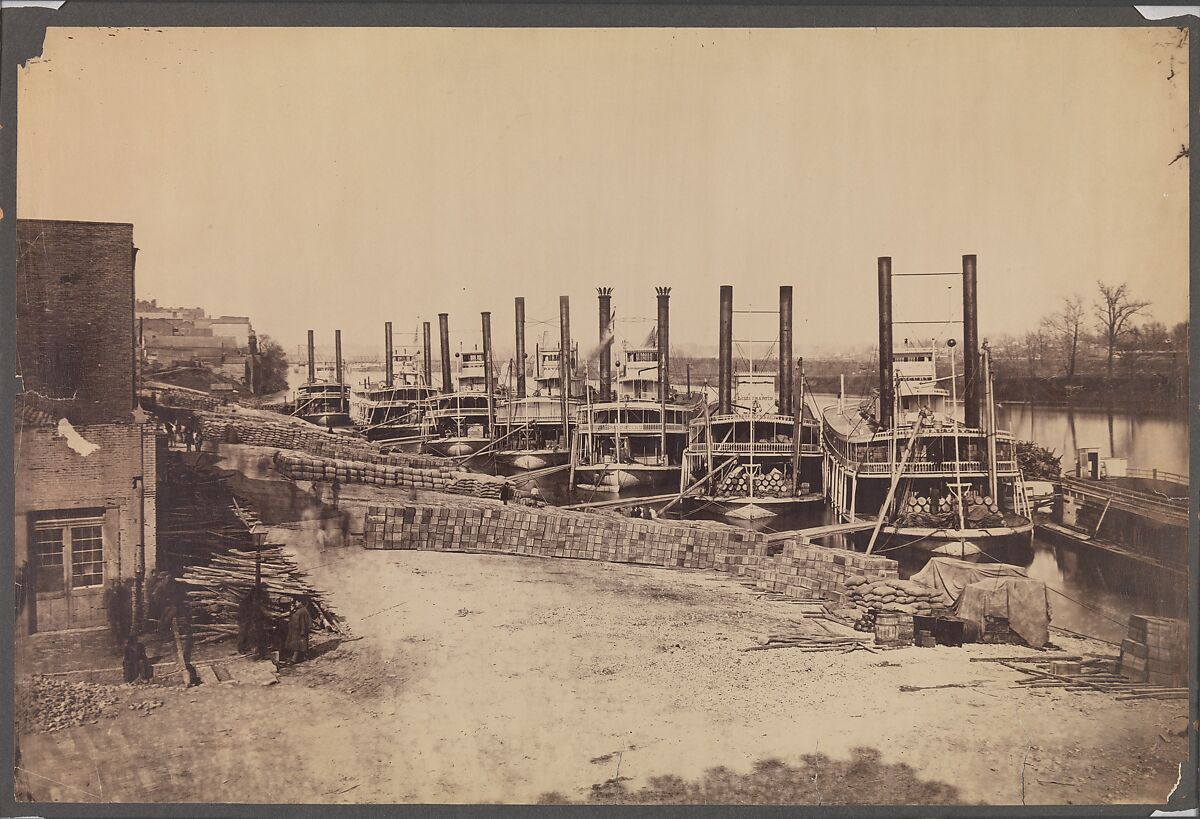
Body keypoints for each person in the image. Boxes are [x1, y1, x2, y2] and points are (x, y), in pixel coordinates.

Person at [283, 599, 313, 665]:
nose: (296, 603)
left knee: (297, 646)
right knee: (298, 645)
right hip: (295, 630)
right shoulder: (299, 610)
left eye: (297, 602)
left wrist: (303, 631)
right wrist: (291, 611)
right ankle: (303, 656)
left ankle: (294, 660)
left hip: (299, 631)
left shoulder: (303, 611)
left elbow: (304, 622)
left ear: (301, 602)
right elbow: (292, 618)